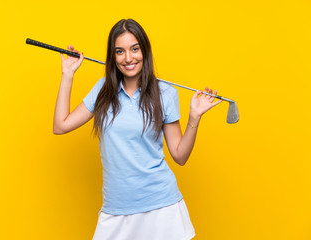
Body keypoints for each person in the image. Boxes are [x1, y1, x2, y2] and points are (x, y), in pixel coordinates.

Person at [53, 19, 222, 240]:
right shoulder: (102, 90)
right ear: (113, 57)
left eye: (135, 49)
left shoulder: (165, 93)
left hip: (161, 206)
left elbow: (180, 156)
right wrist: (68, 74)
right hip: (116, 208)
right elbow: (60, 125)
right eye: (120, 51)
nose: (128, 58)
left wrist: (194, 118)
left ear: (145, 51)